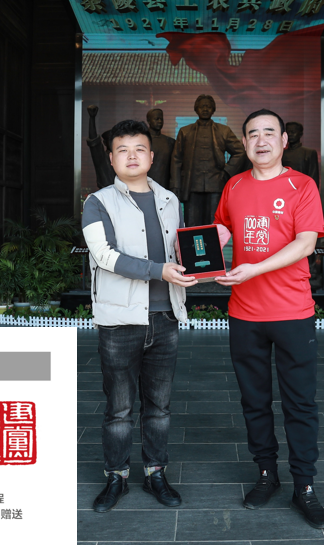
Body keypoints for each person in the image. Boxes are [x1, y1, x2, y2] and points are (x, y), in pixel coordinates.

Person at [213, 108, 324, 529]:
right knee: (254, 401)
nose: (260, 140)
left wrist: (254, 269)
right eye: (252, 134)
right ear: (244, 143)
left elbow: (305, 244)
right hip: (244, 314)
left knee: (300, 403)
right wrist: (194, 252)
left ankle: (305, 486)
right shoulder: (234, 185)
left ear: (283, 141)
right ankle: (266, 473)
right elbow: (222, 230)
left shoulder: (302, 186)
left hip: (292, 313)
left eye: (269, 133)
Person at [82, 119, 198, 513]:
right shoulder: (98, 202)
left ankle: (155, 473)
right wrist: (160, 270)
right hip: (120, 321)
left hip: (165, 317)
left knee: (159, 407)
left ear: (151, 156)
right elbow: (105, 256)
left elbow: (179, 249)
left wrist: (200, 261)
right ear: (111, 159)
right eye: (123, 150)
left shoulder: (170, 200)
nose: (132, 156)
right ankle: (116, 477)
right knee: (119, 409)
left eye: (139, 149)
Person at [170, 94, 245, 226]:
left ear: (213, 109)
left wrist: (227, 171)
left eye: (208, 107)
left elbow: (240, 151)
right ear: (196, 109)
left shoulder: (223, 131)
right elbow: (176, 159)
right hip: (192, 185)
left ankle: (212, 241)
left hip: (215, 184)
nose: (205, 109)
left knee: (214, 223)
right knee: (192, 223)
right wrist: (175, 185)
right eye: (202, 106)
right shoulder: (185, 131)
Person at [85, 104, 115, 188]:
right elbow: (93, 141)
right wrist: (92, 118)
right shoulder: (102, 157)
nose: (113, 143)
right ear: (105, 143)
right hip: (106, 192)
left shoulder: (124, 157)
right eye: (110, 140)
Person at [282, 121, 319, 188]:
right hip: (284, 188)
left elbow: (313, 177)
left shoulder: (309, 153)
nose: (290, 134)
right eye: (288, 132)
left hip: (302, 188)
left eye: (293, 132)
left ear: (300, 134)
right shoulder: (282, 153)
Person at [146, 107, 175, 189]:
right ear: (149, 121)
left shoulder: (170, 142)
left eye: (161, 119)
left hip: (165, 186)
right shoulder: (142, 141)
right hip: (145, 185)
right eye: (156, 119)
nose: (159, 121)